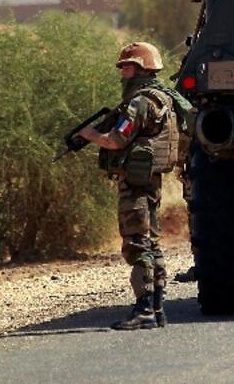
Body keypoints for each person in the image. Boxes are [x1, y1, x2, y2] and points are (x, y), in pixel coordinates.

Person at [79, 42, 184, 329]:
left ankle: (145, 310)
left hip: (136, 184)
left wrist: (90, 135)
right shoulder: (165, 98)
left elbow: (116, 140)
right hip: (149, 181)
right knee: (151, 243)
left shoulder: (140, 102)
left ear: (142, 69)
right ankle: (157, 308)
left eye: (128, 67)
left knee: (138, 245)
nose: (123, 74)